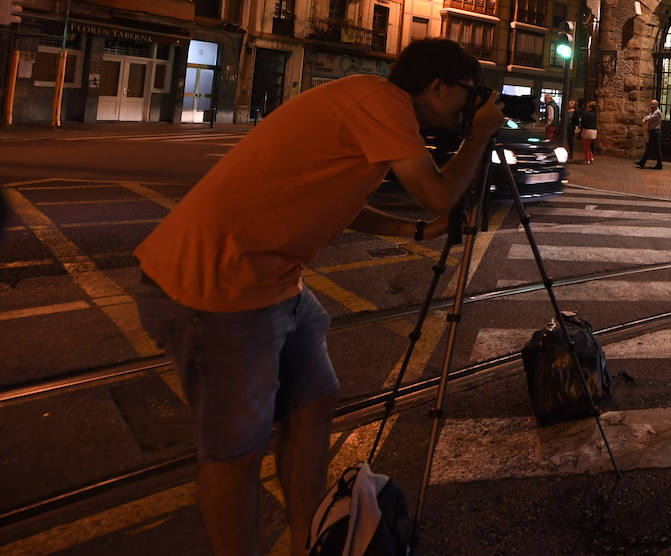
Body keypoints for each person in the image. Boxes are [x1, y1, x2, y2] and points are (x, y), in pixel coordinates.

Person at [132, 38, 507, 556]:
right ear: (436, 86)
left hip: (274, 279)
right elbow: (440, 194)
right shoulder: (382, 104)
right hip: (217, 285)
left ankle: (307, 538)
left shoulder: (374, 106)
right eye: (469, 94)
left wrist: (413, 233)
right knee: (236, 454)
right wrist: (481, 136)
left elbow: (337, 192)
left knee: (313, 401)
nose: (472, 106)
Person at [636, 97, 663, 169]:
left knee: (656, 148)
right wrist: (646, 118)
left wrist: (645, 118)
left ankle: (659, 164)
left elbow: (649, 119)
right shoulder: (653, 112)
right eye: (651, 104)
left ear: (657, 105)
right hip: (653, 131)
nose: (651, 106)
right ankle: (643, 162)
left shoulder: (657, 112)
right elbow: (648, 116)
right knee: (649, 148)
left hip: (655, 132)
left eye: (653, 104)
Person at [580, 99, 598, 164]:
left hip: (587, 131)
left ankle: (587, 159)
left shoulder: (587, 114)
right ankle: (591, 157)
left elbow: (583, 123)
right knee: (589, 145)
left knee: (586, 146)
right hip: (594, 131)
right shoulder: (595, 114)